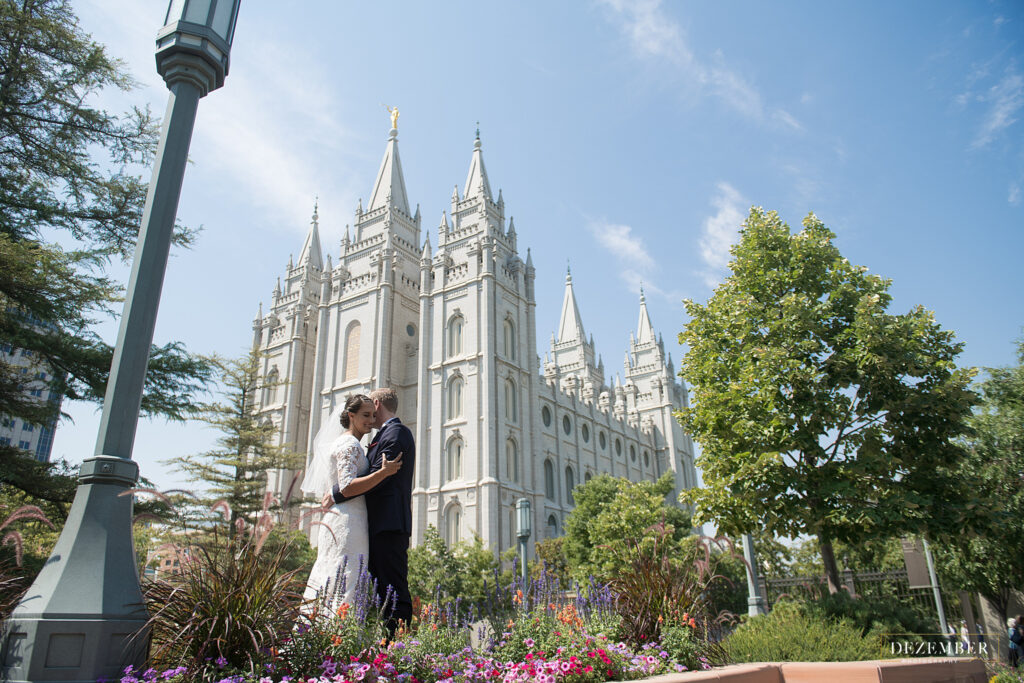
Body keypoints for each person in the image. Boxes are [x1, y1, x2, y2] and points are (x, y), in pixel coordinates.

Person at [324, 387, 415, 635]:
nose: (369, 419)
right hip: (371, 525)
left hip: (389, 524)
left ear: (376, 405)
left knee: (393, 588)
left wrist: (336, 493)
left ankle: (397, 645)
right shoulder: (377, 437)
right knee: (374, 589)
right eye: (363, 415)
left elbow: (378, 476)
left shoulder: (396, 433)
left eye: (369, 412)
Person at [301, 394, 402, 610]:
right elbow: (347, 486)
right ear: (351, 415)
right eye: (365, 415)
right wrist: (382, 473)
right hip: (347, 522)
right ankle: (336, 636)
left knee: (338, 579)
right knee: (345, 579)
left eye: (373, 415)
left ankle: (323, 634)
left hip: (349, 519)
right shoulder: (349, 444)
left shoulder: (352, 443)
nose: (371, 420)